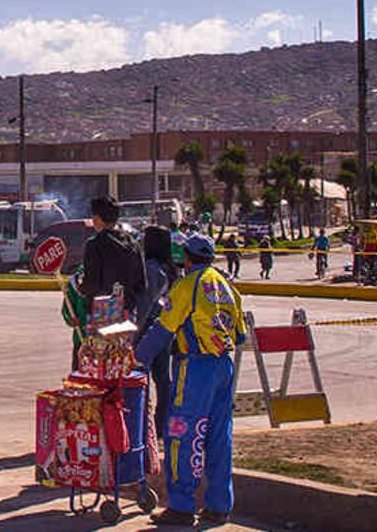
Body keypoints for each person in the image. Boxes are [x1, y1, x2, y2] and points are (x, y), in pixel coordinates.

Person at [134, 235, 247, 527]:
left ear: (186, 258)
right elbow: (241, 335)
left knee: (182, 435)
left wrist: (137, 359)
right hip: (224, 366)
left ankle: (182, 506)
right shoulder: (226, 286)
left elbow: (163, 329)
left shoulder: (187, 286)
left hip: (194, 368)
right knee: (219, 437)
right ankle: (219, 506)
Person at [80, 196, 146, 329]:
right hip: (127, 313)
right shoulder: (133, 243)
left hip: (100, 315)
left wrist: (80, 287)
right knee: (123, 349)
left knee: (99, 350)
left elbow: (91, 284)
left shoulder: (94, 245)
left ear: (97, 218)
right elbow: (141, 285)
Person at [141, 226, 179, 440]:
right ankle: (163, 421)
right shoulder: (172, 269)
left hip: (150, 329)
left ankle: (145, 424)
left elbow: (146, 304)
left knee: (142, 378)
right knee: (163, 379)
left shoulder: (151, 269)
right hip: (167, 329)